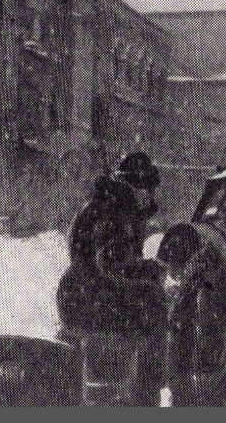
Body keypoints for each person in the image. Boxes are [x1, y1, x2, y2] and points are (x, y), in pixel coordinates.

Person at [57, 152, 167, 405]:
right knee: (155, 300)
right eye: (148, 189)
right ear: (136, 187)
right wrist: (153, 270)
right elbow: (113, 265)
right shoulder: (115, 211)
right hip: (90, 301)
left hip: (80, 295)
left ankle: (148, 381)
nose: (150, 196)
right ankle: (151, 384)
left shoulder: (106, 205)